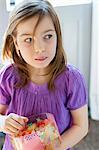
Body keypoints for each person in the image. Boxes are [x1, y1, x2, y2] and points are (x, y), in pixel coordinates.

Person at [0, 0, 88, 149]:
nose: (39, 48)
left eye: (47, 36)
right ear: (16, 43)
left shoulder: (72, 79)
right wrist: (3, 123)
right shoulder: (8, 76)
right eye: (28, 39)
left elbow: (81, 126)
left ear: (57, 36)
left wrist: (54, 147)